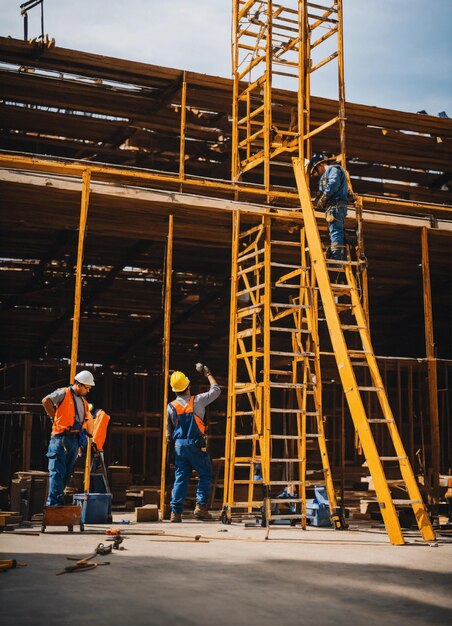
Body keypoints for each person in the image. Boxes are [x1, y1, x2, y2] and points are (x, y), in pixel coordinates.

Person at [166, 364, 221, 522]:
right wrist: (208, 373)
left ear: (175, 390)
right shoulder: (197, 400)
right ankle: (201, 508)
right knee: (204, 474)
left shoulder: (170, 407)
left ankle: (175, 513)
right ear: (188, 387)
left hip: (179, 447)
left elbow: (169, 433)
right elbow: (216, 390)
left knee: (181, 477)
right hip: (195, 444)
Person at [41, 370, 95, 505]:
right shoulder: (63, 392)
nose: (88, 391)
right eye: (87, 388)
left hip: (74, 440)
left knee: (66, 474)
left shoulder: (83, 402)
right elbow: (46, 401)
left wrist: (88, 437)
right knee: (57, 472)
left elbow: (87, 421)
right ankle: (53, 503)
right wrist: (54, 417)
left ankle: (58, 499)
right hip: (60, 439)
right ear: (79, 384)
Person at [308, 153, 349, 264]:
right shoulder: (326, 176)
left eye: (316, 171)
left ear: (319, 165)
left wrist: (324, 197)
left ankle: (337, 261)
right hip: (334, 207)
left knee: (335, 232)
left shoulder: (333, 169)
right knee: (336, 233)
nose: (317, 174)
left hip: (336, 206)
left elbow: (333, 184)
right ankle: (340, 258)